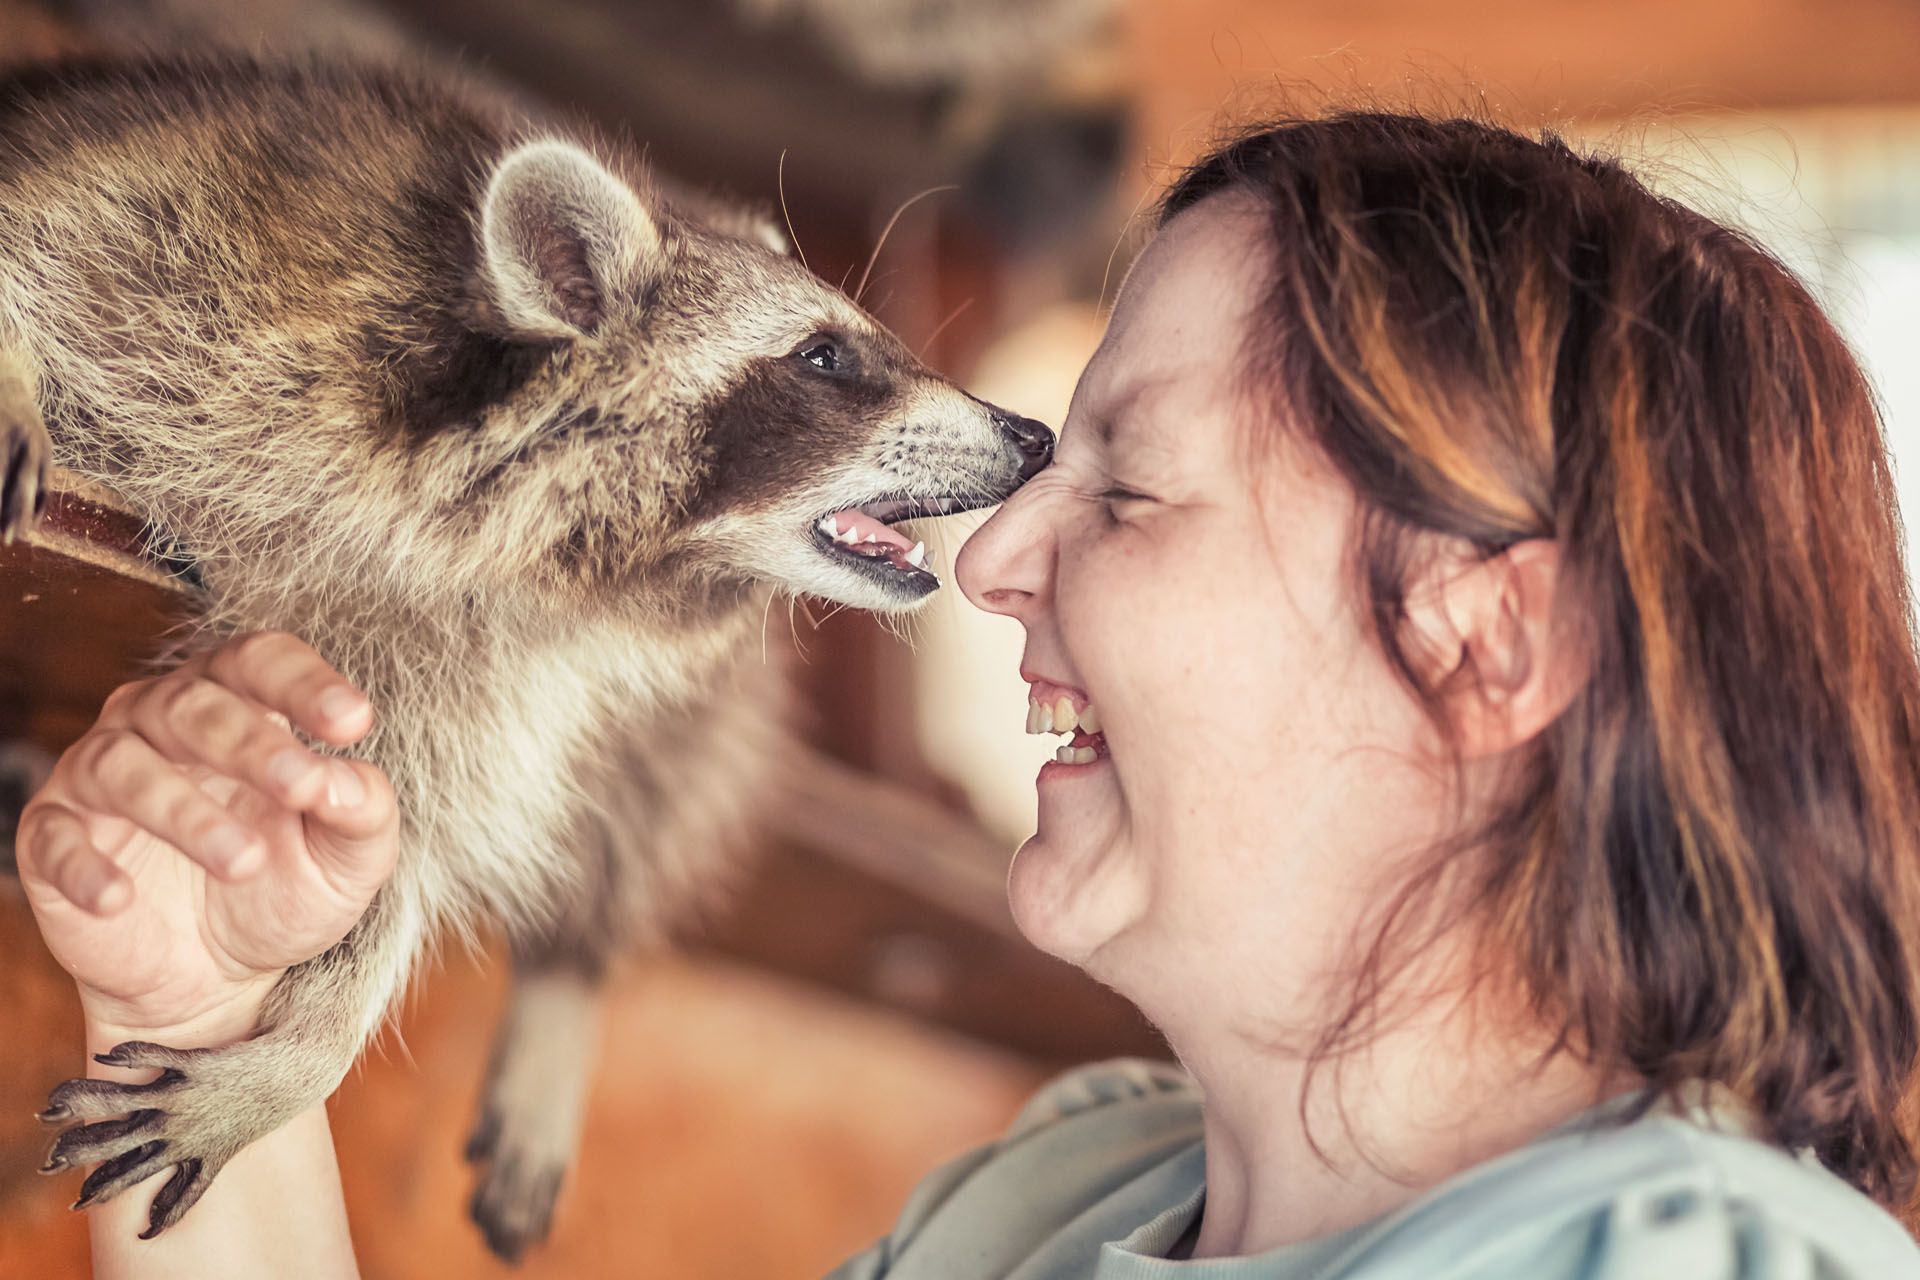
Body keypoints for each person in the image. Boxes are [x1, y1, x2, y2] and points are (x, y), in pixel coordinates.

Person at [17, 109, 1920, 1279]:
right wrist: (207, 1020)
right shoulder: (1058, 1198)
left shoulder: (1680, 1263)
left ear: (1488, 642)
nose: (992, 560)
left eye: (1134, 488)